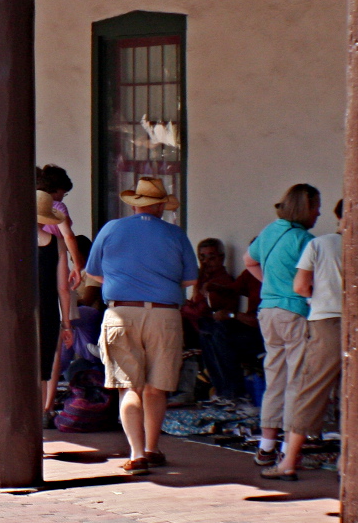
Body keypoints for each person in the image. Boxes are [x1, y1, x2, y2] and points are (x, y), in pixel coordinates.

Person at [83, 176, 197, 475]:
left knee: (128, 386)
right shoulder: (175, 234)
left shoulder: (111, 229)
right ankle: (152, 447)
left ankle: (136, 454)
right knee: (156, 387)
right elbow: (189, 280)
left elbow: (93, 273)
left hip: (121, 312)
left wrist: (125, 281)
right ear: (160, 205)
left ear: (136, 204)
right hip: (164, 314)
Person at [265, 201, 345, 480]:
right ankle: (347, 460)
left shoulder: (321, 244)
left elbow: (300, 286)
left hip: (326, 322)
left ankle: (288, 461)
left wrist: (316, 296)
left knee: (310, 390)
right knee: (355, 393)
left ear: (338, 216)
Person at [245, 184, 319, 469]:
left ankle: (265, 446)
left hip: (269, 312)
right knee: (297, 380)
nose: (318, 212)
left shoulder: (270, 231)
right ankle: (289, 449)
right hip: (294, 311)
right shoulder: (304, 240)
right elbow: (309, 281)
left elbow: (248, 260)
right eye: (315, 206)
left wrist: (271, 285)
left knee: (274, 377)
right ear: (305, 208)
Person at [182, 238, 261, 402]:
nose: (206, 262)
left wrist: (232, 314)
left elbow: (257, 321)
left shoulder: (275, 276)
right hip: (242, 327)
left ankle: (233, 394)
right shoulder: (250, 273)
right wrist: (211, 286)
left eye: (211, 257)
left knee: (217, 333)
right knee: (211, 331)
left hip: (262, 332)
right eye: (202, 258)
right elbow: (233, 289)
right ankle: (220, 391)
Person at [36, 166, 87, 417]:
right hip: (52, 292)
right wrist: (79, 266)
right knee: (52, 352)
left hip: (26, 303)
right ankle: (46, 406)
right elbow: (69, 238)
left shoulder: (12, 240)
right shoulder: (58, 210)